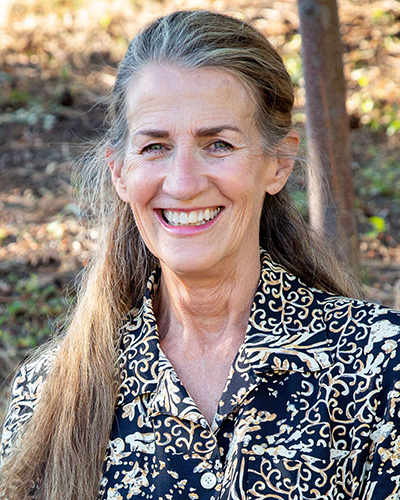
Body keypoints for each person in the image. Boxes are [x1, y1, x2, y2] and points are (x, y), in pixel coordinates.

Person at [1, 9, 400, 500]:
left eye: (217, 144)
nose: (184, 183)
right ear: (119, 172)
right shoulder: (47, 395)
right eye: (154, 147)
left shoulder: (379, 369)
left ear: (278, 164)